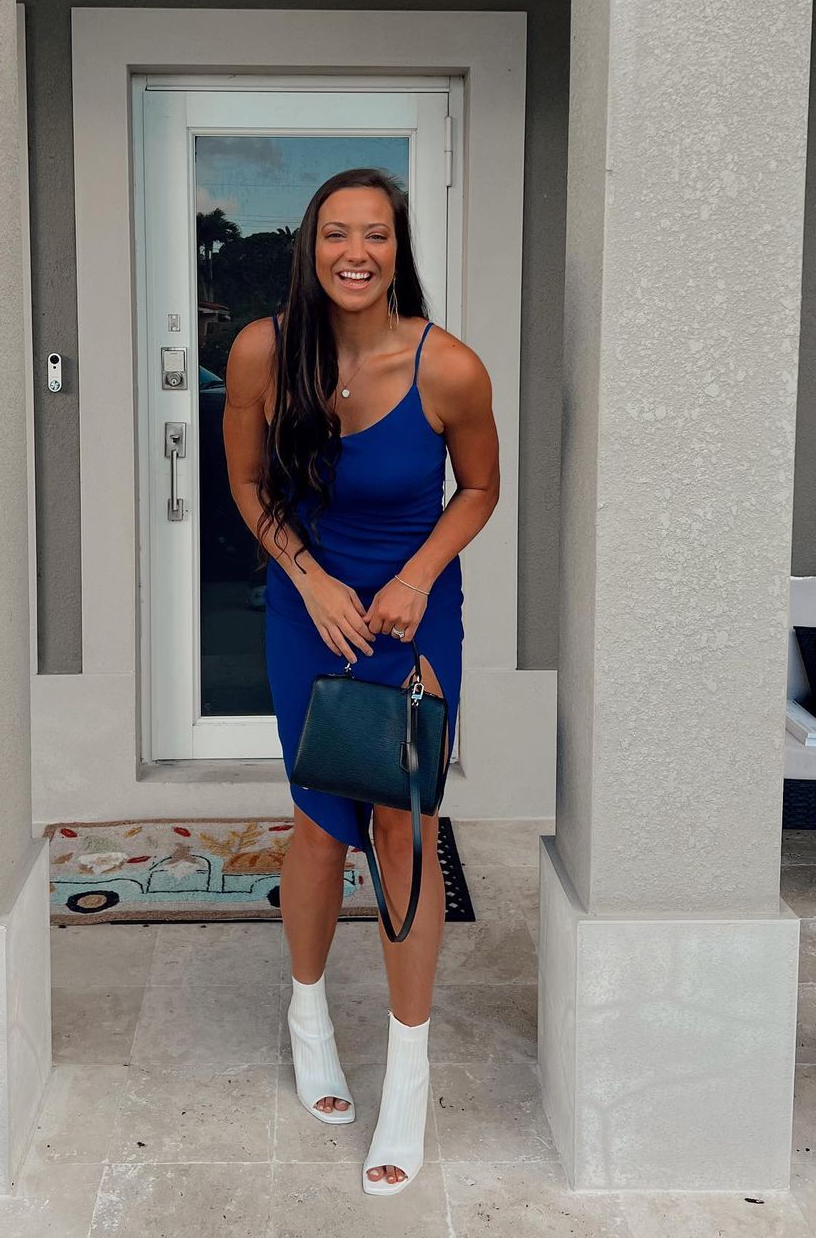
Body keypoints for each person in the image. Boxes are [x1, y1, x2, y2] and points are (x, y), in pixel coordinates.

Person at [223, 167, 499, 1195]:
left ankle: (408, 1077)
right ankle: (308, 1017)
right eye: (336, 233)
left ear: (396, 248)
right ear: (310, 245)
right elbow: (247, 482)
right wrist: (309, 578)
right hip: (309, 614)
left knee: (404, 833)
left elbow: (479, 486)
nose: (355, 252)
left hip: (412, 620)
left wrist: (418, 576)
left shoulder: (448, 366)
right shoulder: (262, 351)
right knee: (318, 827)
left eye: (374, 234)